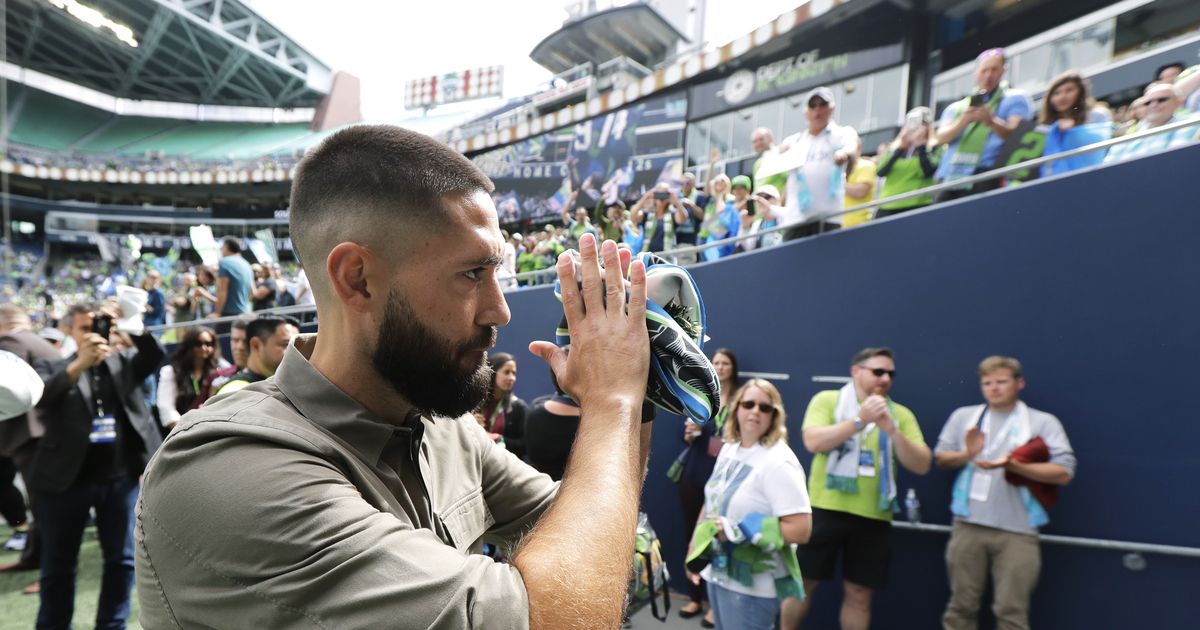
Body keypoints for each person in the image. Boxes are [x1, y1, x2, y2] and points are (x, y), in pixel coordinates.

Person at [135, 125, 656, 629]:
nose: (499, 311)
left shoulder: (440, 425)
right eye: (473, 274)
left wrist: (646, 392)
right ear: (357, 279)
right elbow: (555, 618)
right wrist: (615, 401)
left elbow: (595, 532)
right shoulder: (233, 470)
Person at [31, 301, 165, 630]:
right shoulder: (54, 367)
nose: (92, 334)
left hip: (119, 482)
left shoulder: (123, 363)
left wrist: (133, 324)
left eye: (97, 327)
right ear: (69, 332)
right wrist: (79, 365)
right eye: (83, 328)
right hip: (64, 483)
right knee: (58, 566)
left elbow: (154, 357)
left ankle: (112, 625)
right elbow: (42, 399)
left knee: (121, 562)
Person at [784, 347, 931, 630]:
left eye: (890, 373)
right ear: (856, 372)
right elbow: (813, 442)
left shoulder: (900, 414)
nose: (885, 378)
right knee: (800, 586)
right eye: (878, 371)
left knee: (860, 596)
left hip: (874, 516)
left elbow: (922, 464)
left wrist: (892, 430)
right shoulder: (828, 400)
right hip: (823, 510)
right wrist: (859, 421)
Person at [935, 356, 1076, 630]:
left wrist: (1014, 466)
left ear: (1019, 383)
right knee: (961, 606)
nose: (994, 388)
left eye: (1001, 381)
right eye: (987, 382)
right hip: (968, 526)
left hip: (1018, 531)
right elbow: (941, 459)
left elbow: (1065, 472)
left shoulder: (1042, 423)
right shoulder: (965, 418)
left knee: (1011, 612)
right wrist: (968, 454)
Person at [686, 379, 812, 630]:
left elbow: (801, 529)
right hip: (719, 573)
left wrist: (735, 531)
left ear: (774, 416)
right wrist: (694, 546)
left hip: (754, 585)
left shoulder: (779, 461)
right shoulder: (730, 448)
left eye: (765, 407)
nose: (755, 411)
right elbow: (711, 503)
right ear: (736, 409)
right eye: (749, 404)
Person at [675, 348, 739, 626]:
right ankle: (694, 597)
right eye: (716, 362)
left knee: (718, 540)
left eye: (725, 363)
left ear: (733, 369)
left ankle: (715, 603)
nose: (721, 367)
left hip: (725, 479)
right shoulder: (702, 395)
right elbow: (686, 434)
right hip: (695, 473)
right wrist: (689, 434)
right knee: (693, 537)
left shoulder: (741, 401)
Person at [0, 304, 60, 578]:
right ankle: (36, 558)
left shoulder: (12, 342)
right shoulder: (40, 342)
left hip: (33, 434)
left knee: (44, 505)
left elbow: (8, 387)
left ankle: (48, 566)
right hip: (52, 432)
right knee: (44, 502)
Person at [934, 48, 1033, 202]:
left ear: (1003, 71)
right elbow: (940, 139)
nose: (988, 75)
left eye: (994, 69)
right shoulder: (956, 108)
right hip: (949, 176)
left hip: (987, 174)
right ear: (975, 73)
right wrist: (963, 121)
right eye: (984, 70)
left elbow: (1018, 136)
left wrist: (991, 121)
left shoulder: (1016, 98)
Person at [777, 86, 860, 239]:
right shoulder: (794, 141)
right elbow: (775, 160)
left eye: (823, 104)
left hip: (829, 218)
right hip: (796, 220)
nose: (818, 110)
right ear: (806, 112)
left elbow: (852, 146)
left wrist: (845, 153)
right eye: (813, 106)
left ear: (832, 108)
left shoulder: (842, 133)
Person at [1104, 82, 1200, 163]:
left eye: (1161, 100)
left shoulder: (1194, 124)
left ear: (1180, 102)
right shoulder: (1125, 141)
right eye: (1148, 102)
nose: (1154, 105)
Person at [1040, 71, 1111, 177]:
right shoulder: (1045, 126)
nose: (1062, 97)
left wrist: (1074, 131)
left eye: (1069, 90)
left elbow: (1101, 149)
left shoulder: (1097, 114)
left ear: (1081, 92)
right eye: (1057, 93)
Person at [155, 327, 225, 432]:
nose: (204, 347)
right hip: (180, 431)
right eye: (198, 344)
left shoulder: (220, 371)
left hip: (211, 430)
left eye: (209, 344)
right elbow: (166, 407)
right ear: (189, 346)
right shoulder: (171, 372)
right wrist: (185, 430)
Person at [876, 107, 941, 218]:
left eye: (921, 123)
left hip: (917, 205)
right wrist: (900, 148)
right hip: (887, 206)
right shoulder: (893, 148)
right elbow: (881, 171)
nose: (915, 127)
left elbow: (928, 171)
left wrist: (921, 147)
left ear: (928, 126)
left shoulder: (934, 147)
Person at [213, 314, 300, 396]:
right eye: (286, 344)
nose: (297, 352)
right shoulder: (236, 392)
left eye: (299, 345)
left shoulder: (290, 385)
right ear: (256, 345)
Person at [480, 352, 528, 460]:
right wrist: (472, 423)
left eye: (514, 373)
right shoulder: (476, 403)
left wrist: (497, 439)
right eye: (506, 372)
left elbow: (525, 446)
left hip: (505, 467)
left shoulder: (519, 407)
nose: (512, 378)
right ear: (493, 372)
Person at [198, 314, 252, 403]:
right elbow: (196, 411)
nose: (239, 347)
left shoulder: (273, 378)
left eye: (245, 341)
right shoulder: (217, 376)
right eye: (235, 340)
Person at [631, 183, 689, 254]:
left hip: (666, 256)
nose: (661, 197)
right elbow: (633, 216)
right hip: (649, 255)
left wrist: (676, 201)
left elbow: (684, 218)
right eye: (658, 194)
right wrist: (645, 197)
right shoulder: (647, 214)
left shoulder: (672, 214)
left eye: (664, 194)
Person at [209, 237, 254, 328]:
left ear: (227, 247)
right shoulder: (246, 263)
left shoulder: (224, 263)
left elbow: (222, 291)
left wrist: (217, 313)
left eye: (222, 247)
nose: (221, 249)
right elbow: (252, 292)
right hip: (245, 312)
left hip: (229, 316)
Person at [840, 145, 877, 228]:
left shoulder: (865, 165)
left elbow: (860, 192)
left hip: (859, 225)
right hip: (839, 226)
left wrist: (837, 184)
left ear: (858, 147)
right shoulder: (837, 169)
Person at [751, 127, 788, 197]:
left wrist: (780, 202)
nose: (758, 143)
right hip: (761, 206)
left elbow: (789, 180)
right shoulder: (757, 164)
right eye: (754, 141)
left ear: (770, 139)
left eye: (761, 139)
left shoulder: (779, 154)